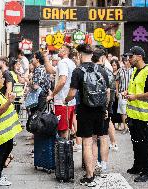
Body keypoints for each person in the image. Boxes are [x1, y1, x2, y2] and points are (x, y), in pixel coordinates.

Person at [65, 44, 109, 187]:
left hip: (85, 111)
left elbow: (72, 93)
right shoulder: (102, 70)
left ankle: (89, 176)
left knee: (87, 142)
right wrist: (105, 108)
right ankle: (94, 169)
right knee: (96, 140)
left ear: (79, 55)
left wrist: (65, 100)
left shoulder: (78, 71)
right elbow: (107, 92)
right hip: (100, 110)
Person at [124, 46, 148, 182]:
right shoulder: (135, 71)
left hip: (144, 116)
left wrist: (136, 96)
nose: (129, 59)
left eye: (131, 56)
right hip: (134, 114)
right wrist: (128, 93)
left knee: (144, 143)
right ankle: (137, 166)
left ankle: (147, 172)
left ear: (139, 56)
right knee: (136, 142)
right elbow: (135, 89)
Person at [46, 45, 76, 139]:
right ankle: (65, 152)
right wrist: (45, 57)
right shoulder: (71, 63)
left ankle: (62, 152)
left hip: (62, 101)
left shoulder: (63, 63)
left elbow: (62, 80)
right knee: (66, 129)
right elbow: (51, 70)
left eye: (61, 48)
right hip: (69, 101)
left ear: (65, 52)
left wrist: (52, 95)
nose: (59, 49)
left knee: (62, 130)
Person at [91, 48, 112, 175]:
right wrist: (106, 108)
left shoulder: (88, 71)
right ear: (102, 58)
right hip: (103, 109)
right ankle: (103, 164)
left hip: (90, 108)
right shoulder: (107, 71)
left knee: (92, 138)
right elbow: (109, 91)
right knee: (103, 136)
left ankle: (94, 164)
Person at [116, 56, 133, 133]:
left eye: (128, 61)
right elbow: (117, 81)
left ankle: (130, 127)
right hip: (122, 93)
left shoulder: (133, 70)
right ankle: (125, 127)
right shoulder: (120, 70)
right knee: (123, 111)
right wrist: (117, 92)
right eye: (125, 61)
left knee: (130, 111)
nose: (127, 62)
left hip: (131, 93)